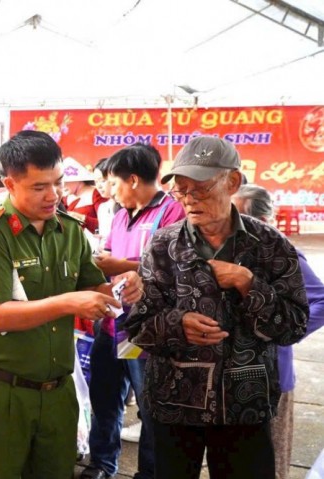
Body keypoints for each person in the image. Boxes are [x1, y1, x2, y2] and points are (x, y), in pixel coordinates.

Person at [0, 132, 145, 479]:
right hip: (4, 394)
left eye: (58, 183)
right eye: (39, 187)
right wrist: (67, 303)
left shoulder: (70, 231)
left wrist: (122, 286)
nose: (53, 195)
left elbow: (93, 286)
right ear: (10, 184)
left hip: (59, 392)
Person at [124, 136, 309, 479]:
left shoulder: (270, 245)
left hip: (244, 405)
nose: (190, 200)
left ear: (233, 182)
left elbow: (294, 326)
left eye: (201, 189)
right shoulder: (164, 245)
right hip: (174, 402)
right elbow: (138, 326)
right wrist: (178, 325)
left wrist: (248, 284)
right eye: (182, 190)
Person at [81, 143, 186, 479]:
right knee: (105, 399)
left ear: (134, 180)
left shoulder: (171, 212)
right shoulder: (122, 214)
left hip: (145, 329)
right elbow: (109, 250)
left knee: (149, 407)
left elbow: (172, 263)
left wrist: (118, 264)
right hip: (112, 323)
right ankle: (101, 463)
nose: (111, 191)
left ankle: (149, 472)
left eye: (115, 183)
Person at [232, 184, 324, 479]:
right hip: (233, 378)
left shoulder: (281, 254)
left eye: (237, 215)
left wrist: (277, 331)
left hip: (270, 378)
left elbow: (320, 301)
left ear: (261, 220)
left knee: (269, 463)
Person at [62, 157, 102, 234]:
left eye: (66, 181)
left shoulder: (96, 194)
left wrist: (83, 218)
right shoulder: (65, 198)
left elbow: (107, 225)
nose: (63, 185)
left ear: (78, 179)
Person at [93, 158, 116, 247]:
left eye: (102, 181)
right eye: (96, 182)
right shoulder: (103, 208)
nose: (99, 186)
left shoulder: (127, 207)